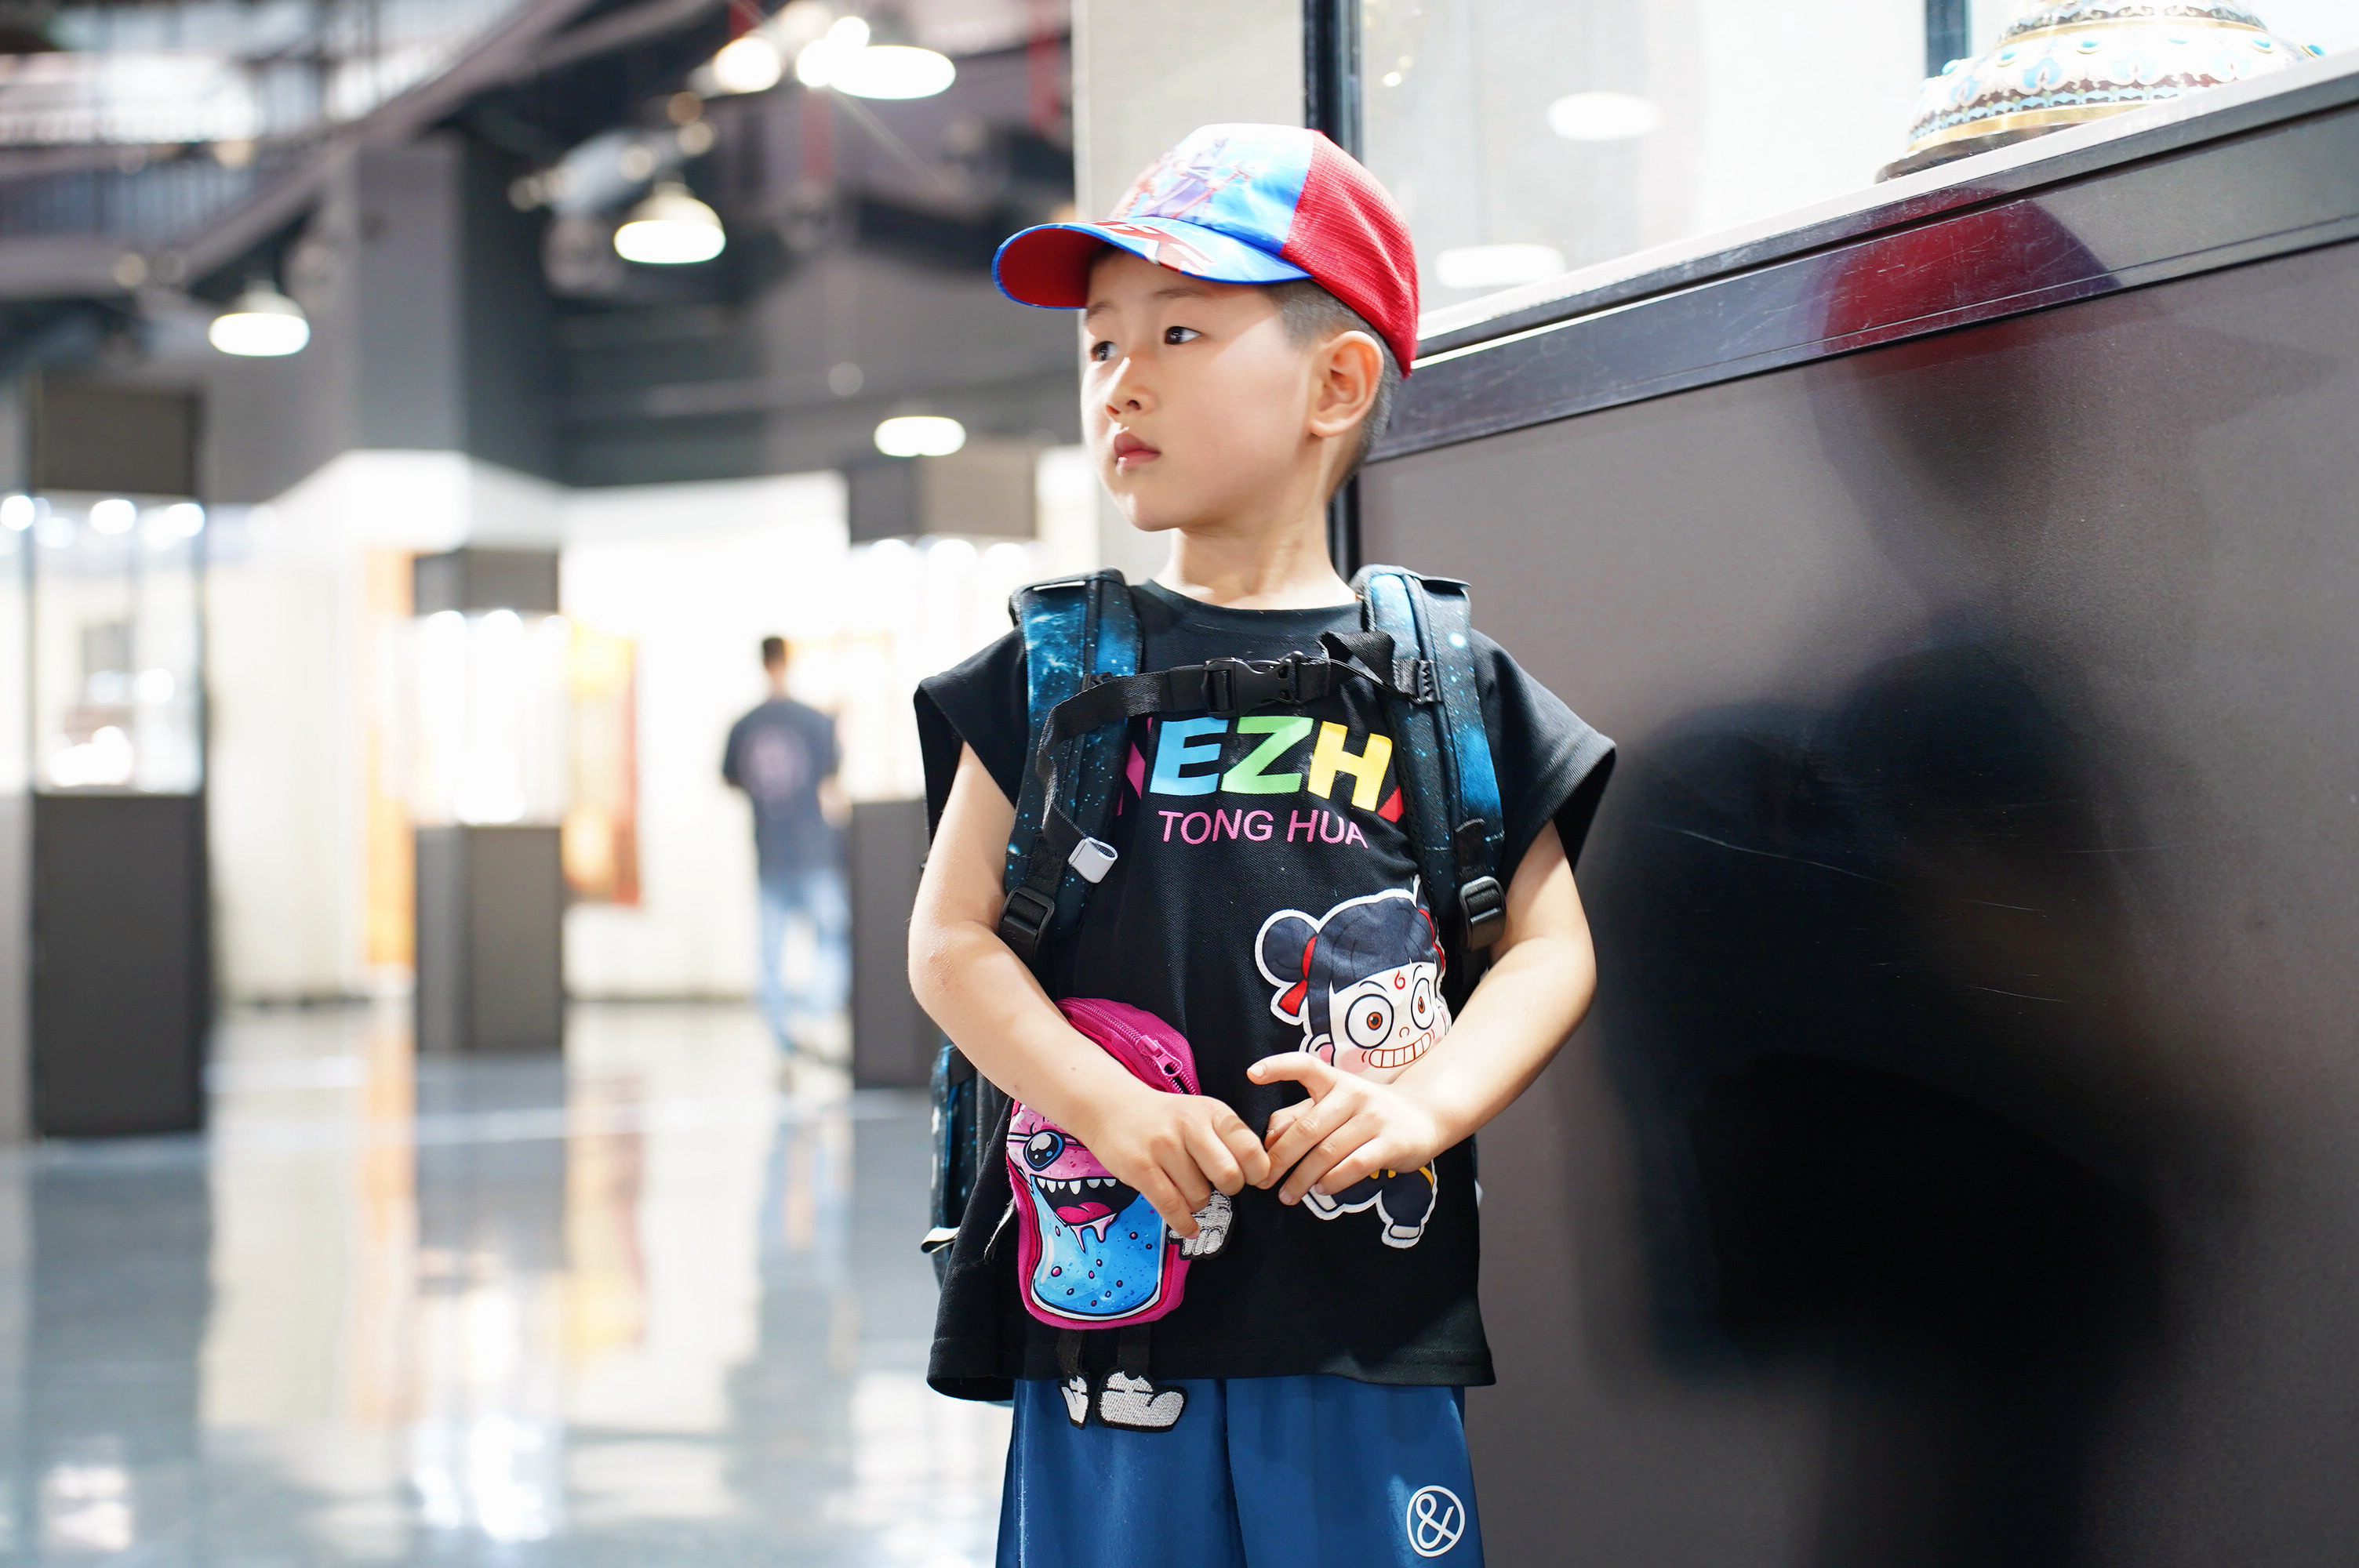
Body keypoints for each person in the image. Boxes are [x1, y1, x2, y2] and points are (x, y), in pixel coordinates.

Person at [906, 125, 1614, 1567]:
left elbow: (1549, 949)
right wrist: (1109, 1108)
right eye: (1100, 344)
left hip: (1364, 1318)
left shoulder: (1440, 684)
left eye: (1177, 332)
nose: (1122, 380)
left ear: (1336, 383)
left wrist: (1426, 1108)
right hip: (1106, 1320)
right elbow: (950, 941)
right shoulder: (1053, 671)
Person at [723, 636, 846, 1056]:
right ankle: (813, 1014)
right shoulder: (816, 721)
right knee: (833, 937)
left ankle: (784, 1037)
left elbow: (731, 778)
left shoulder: (744, 725)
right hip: (814, 849)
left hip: (770, 851)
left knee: (772, 954)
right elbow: (832, 780)